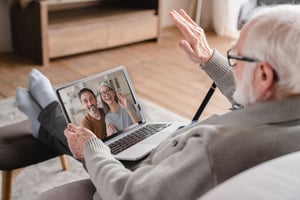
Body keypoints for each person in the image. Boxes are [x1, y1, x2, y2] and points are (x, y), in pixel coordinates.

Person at [17, 5, 300, 200]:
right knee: (136, 124)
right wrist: (210, 60)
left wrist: (92, 148)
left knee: (93, 140)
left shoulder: (213, 150)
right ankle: (44, 119)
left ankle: (46, 115)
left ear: (263, 74)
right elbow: (265, 104)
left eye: (236, 58)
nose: (232, 64)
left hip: (141, 177)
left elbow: (128, 195)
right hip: (171, 152)